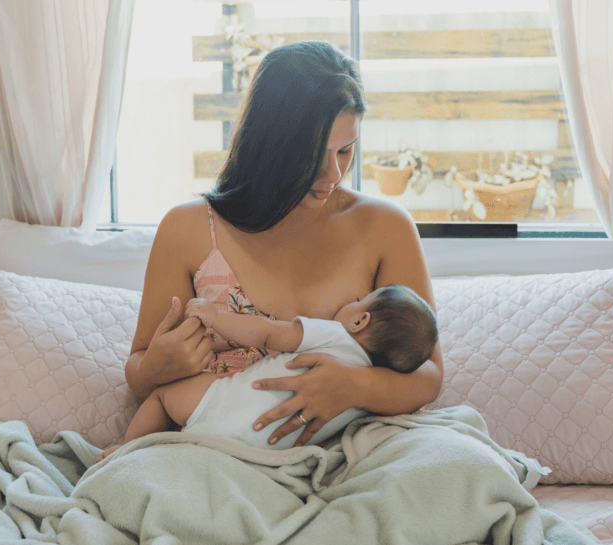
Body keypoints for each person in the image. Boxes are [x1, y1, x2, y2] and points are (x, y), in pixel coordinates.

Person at [123, 40, 444, 452]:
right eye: (313, 154)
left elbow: (429, 376)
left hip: (348, 456)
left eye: (346, 150)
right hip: (215, 454)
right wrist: (157, 366)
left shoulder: (386, 227)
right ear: (269, 145)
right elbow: (138, 369)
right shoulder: (187, 229)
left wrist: (353, 386)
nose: (333, 173)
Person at [99, 285, 438, 458]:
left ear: (360, 320)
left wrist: (215, 317)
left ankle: (126, 450)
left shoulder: (333, 334)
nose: (352, 300)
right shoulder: (370, 400)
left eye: (361, 300)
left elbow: (267, 332)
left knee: (163, 396)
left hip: (219, 407)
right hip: (260, 453)